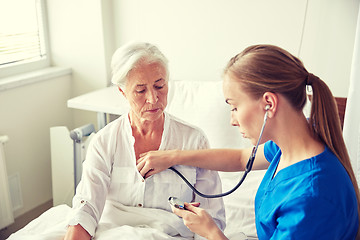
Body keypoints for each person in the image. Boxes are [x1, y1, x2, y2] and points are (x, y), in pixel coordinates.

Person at [137, 44, 360, 240]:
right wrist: (171, 157)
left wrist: (212, 232)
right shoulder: (295, 142)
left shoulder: (311, 197)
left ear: (269, 104)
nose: (232, 120)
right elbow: (242, 158)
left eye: (234, 107)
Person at [64, 42, 225, 240]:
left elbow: (212, 219)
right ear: (122, 91)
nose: (153, 98)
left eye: (160, 86)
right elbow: (86, 208)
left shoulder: (193, 140)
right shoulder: (104, 142)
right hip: (115, 234)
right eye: (140, 91)